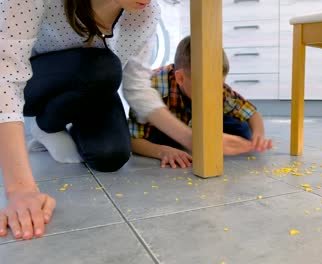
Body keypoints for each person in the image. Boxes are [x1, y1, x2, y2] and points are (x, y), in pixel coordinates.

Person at [0, 0, 252, 240]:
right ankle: (46, 125)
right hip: (36, 85)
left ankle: (67, 123)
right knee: (104, 67)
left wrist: (192, 139)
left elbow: (137, 87)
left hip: (96, 83)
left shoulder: (145, 13)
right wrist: (20, 189)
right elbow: (6, 79)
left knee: (112, 155)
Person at [129, 36, 273, 168]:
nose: (214, 92)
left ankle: (200, 138)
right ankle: (181, 142)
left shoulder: (219, 89)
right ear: (180, 78)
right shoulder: (151, 86)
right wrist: (161, 151)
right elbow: (133, 140)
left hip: (198, 124)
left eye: (218, 86)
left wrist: (258, 134)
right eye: (207, 87)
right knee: (154, 139)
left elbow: (251, 113)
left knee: (244, 130)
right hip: (165, 131)